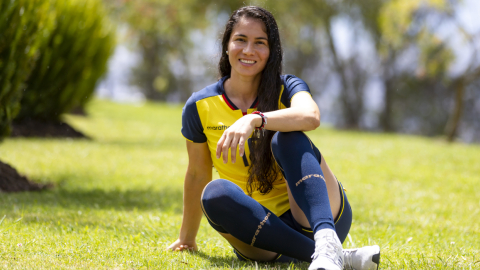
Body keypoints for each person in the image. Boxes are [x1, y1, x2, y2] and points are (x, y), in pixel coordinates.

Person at [167, 6, 380, 270]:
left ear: (271, 52)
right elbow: (198, 174)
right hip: (263, 235)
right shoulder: (199, 106)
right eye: (240, 40)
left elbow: (311, 116)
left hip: (319, 217)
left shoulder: (288, 87)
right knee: (214, 194)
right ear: (227, 45)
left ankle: (327, 241)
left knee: (286, 138)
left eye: (260, 43)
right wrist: (186, 239)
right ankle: (341, 258)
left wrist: (256, 119)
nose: (248, 50)